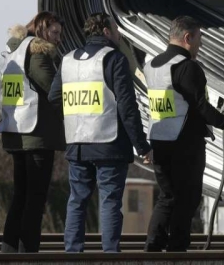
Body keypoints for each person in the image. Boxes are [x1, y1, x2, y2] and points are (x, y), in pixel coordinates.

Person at [144, 16, 224, 252]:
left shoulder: (153, 65)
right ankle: (177, 250)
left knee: (167, 198)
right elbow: (201, 107)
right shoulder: (187, 67)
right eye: (199, 39)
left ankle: (152, 250)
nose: (200, 45)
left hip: (159, 141)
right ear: (188, 38)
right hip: (185, 144)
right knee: (187, 198)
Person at [49, 13, 152, 253]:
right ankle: (110, 255)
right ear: (106, 31)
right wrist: (142, 146)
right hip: (109, 142)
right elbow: (127, 107)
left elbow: (54, 97)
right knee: (109, 201)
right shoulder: (114, 58)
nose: (119, 34)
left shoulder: (68, 60)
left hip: (77, 143)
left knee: (77, 200)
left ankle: (72, 253)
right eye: (116, 29)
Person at [0, 12, 65, 253]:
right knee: (35, 200)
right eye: (54, 33)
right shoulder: (38, 54)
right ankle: (28, 254)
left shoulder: (15, 51)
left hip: (16, 132)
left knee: (20, 198)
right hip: (36, 135)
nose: (58, 39)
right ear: (43, 29)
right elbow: (54, 90)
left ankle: (9, 250)